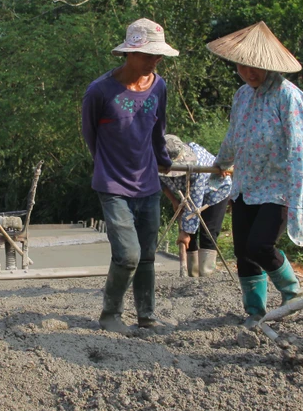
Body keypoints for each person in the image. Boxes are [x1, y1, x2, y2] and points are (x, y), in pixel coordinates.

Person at [208, 21, 303, 327]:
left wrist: (298, 198)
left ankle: (292, 294)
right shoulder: (242, 96)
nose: (250, 73)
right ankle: (255, 312)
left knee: (260, 246)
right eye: (243, 66)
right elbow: (234, 136)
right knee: (243, 252)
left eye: (256, 67)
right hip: (246, 186)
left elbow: (300, 151)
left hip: (277, 187)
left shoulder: (288, 96)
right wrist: (221, 163)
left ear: (269, 66)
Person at [82, 18, 178, 333]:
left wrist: (162, 161)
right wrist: (107, 165)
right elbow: (90, 135)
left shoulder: (159, 86)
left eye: (158, 56)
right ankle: (110, 314)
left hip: (148, 182)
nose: (154, 61)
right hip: (112, 184)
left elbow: (157, 130)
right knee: (127, 254)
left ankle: (146, 316)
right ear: (129, 54)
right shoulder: (100, 91)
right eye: (148, 55)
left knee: (148, 255)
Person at [159, 134, 232, 277]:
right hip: (185, 195)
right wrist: (174, 201)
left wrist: (185, 232)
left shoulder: (198, 164)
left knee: (207, 233)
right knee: (189, 239)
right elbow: (160, 182)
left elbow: (195, 201)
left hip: (214, 191)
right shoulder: (157, 161)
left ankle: (206, 274)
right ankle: (192, 275)